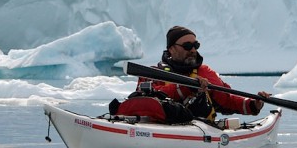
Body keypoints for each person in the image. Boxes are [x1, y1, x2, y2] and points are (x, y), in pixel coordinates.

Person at [115, 26, 270, 124]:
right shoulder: (152, 73)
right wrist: (187, 87)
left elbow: (227, 100)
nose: (193, 50)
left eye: (195, 45)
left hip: (198, 128)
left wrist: (252, 104)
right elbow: (146, 101)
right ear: (171, 49)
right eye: (187, 46)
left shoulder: (205, 72)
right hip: (159, 126)